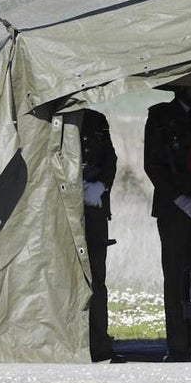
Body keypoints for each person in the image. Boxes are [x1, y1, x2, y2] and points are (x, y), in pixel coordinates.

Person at [143, 86, 191, 362]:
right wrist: (179, 198)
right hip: (174, 208)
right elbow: (153, 164)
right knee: (175, 276)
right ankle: (179, 344)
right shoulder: (160, 116)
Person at [80, 109, 120, 363]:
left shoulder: (97, 119)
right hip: (62, 206)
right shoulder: (55, 115)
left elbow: (110, 159)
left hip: (93, 206)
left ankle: (99, 344)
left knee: (97, 278)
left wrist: (101, 186)